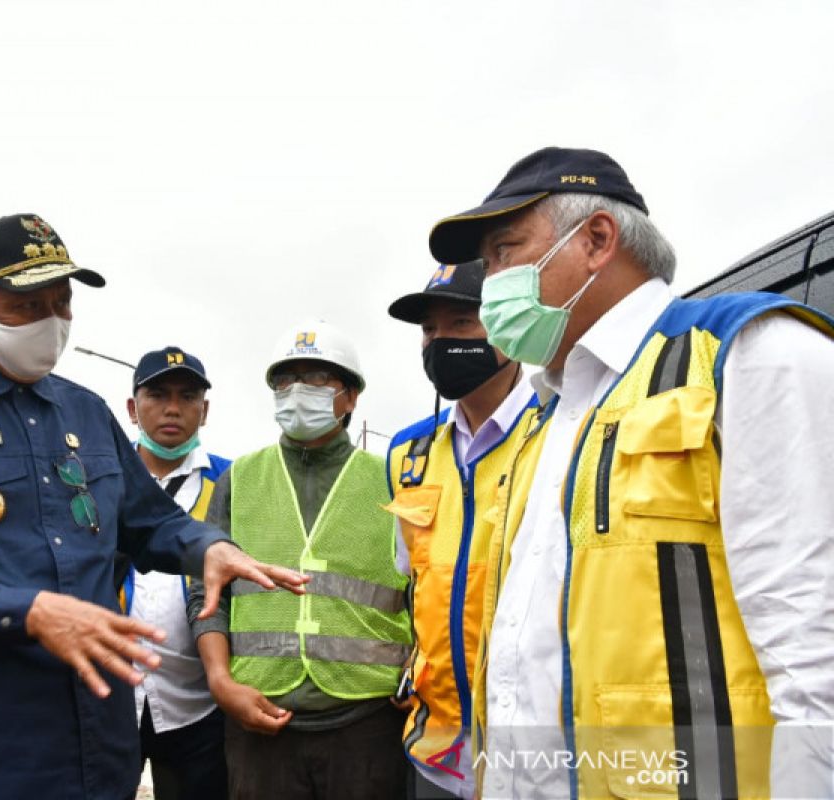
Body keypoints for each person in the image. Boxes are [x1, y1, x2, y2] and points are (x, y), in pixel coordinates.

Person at [0, 213, 306, 800]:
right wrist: (27, 610)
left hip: (98, 748)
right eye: (27, 306)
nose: (52, 322)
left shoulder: (87, 413)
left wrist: (207, 547)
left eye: (62, 304)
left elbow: (149, 521)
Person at [428, 146, 834, 798]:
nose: (492, 277)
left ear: (595, 240)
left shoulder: (749, 357)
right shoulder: (551, 416)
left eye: (505, 250)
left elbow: (814, 655)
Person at [188, 320, 413, 800]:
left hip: (367, 724)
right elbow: (205, 593)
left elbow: (426, 588)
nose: (297, 392)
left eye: (316, 379)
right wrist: (220, 680)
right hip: (260, 721)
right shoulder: (240, 478)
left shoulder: (394, 479)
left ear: (350, 398)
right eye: (285, 381)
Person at [383, 259, 537, 799]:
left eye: (462, 323)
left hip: (533, 759)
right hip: (436, 754)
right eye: (430, 330)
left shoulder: (559, 429)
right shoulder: (407, 453)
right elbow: (414, 582)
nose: (440, 342)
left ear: (509, 324)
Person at [121, 346, 231, 799]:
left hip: (198, 701)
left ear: (204, 411)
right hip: (111, 695)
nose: (172, 408)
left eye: (187, 397)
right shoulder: (99, 477)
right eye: (157, 395)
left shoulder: (232, 481)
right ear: (132, 408)